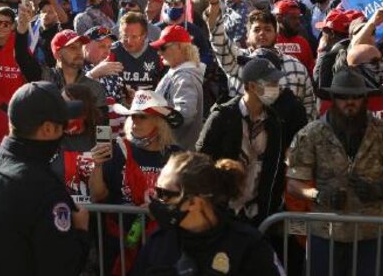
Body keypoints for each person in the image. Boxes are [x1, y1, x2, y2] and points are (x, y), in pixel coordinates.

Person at [0, 81, 90, 275]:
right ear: (47, 129)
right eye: (63, 125)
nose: (65, 131)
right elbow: (63, 268)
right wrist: (80, 230)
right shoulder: (45, 191)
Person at [286, 69, 383, 276]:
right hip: (325, 233)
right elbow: (294, 184)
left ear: (365, 99)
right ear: (333, 99)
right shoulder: (309, 135)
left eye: (356, 96)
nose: (350, 102)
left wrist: (382, 189)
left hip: (373, 233)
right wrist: (318, 194)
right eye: (343, 97)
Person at [130, 152, 284, 275]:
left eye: (163, 194)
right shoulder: (160, 242)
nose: (155, 200)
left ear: (194, 201)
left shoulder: (248, 246)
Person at [196, 57, 297, 226]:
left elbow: (275, 169)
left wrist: (269, 206)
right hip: (222, 211)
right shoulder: (222, 117)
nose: (275, 87)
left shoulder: (274, 123)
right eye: (270, 82)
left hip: (257, 214)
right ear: (251, 86)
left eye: (276, 82)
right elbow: (201, 160)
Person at [90, 90, 182, 271]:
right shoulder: (118, 150)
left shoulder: (176, 155)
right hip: (120, 245)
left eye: (142, 117)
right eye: (132, 116)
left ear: (159, 122)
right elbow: (98, 195)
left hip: (161, 244)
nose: (135, 122)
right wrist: (97, 166)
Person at [0, 5, 42, 109]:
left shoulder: (21, 49)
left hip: (17, 108)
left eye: (6, 24)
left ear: (13, 26)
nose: (0, 27)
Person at [150, 25, 205, 149]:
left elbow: (183, 117)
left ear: (179, 47)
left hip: (177, 152)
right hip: (173, 150)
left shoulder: (185, 78)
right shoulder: (178, 72)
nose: (159, 52)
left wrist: (152, 109)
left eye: (163, 47)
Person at [43, 29, 107, 110]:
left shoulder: (95, 87)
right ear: (58, 55)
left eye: (80, 47)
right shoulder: (44, 79)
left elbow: (102, 121)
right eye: (73, 48)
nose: (79, 52)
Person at [274, 0, 316, 73]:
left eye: (298, 18)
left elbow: (311, 72)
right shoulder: (270, 41)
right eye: (293, 18)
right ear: (279, 18)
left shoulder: (303, 43)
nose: (298, 22)